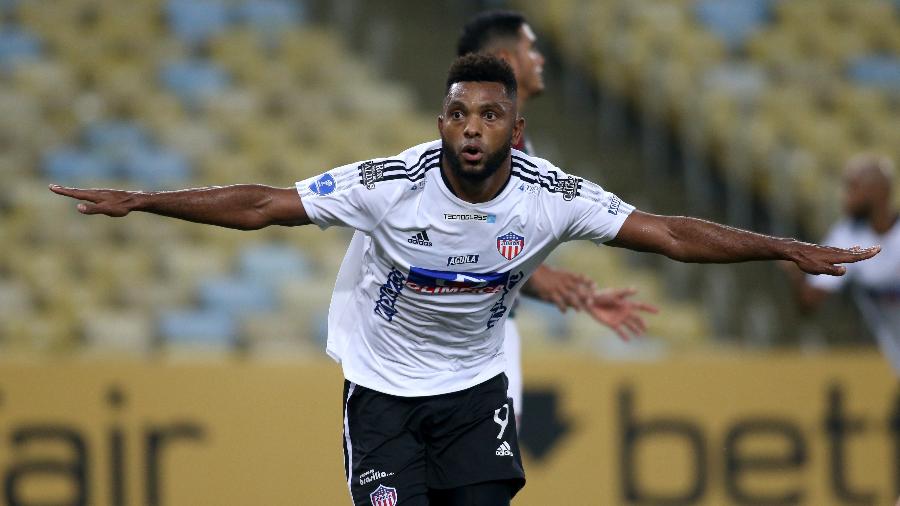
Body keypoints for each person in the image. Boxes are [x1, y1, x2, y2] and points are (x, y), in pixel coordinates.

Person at [51, 54, 879, 506]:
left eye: (488, 116)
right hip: (379, 390)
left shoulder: (551, 195)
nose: (471, 129)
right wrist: (146, 199)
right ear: (439, 122)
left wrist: (782, 248)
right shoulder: (389, 183)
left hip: (474, 389)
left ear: (516, 131)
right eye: (458, 114)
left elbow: (666, 233)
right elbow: (266, 205)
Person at [454, 10, 659, 422]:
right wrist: (543, 277)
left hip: (485, 336)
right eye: (531, 48)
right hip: (461, 346)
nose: (541, 59)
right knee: (477, 482)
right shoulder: (474, 149)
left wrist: (566, 290)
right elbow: (457, 237)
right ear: (507, 61)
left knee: (485, 483)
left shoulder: (516, 148)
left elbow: (494, 251)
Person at [784, 153, 900, 375]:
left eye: (853, 187)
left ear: (878, 190)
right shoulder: (847, 235)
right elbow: (809, 302)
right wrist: (797, 274)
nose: (845, 196)